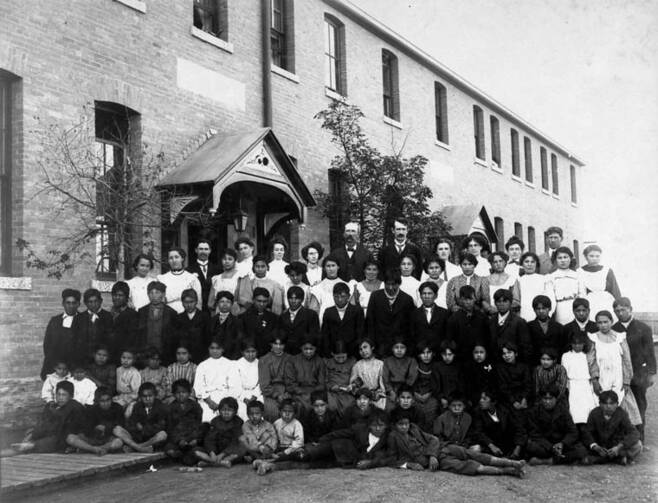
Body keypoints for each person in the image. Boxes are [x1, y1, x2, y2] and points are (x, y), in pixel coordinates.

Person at [612, 297, 656, 440]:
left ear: (631, 309)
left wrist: (651, 373)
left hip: (638, 374)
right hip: (620, 374)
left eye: (623, 310)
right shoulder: (614, 329)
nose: (620, 313)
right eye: (617, 310)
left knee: (639, 405)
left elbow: (650, 353)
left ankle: (640, 438)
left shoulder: (643, 328)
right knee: (621, 405)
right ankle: (624, 438)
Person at [5, 381, 87, 456]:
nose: (60, 398)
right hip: (48, 435)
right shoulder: (52, 406)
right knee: (30, 434)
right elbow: (42, 423)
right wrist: (32, 435)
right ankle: (27, 445)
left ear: (71, 396)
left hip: (64, 438)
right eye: (58, 394)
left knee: (50, 441)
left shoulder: (74, 407)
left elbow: (68, 429)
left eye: (64, 395)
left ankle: (30, 445)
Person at [588, 310, 641, 426]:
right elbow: (591, 361)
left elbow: (627, 361)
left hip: (618, 378)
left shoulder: (620, 338)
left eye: (606, 322)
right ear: (596, 324)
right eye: (600, 323)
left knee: (620, 407)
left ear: (611, 322)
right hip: (602, 377)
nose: (603, 325)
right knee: (601, 406)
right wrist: (595, 380)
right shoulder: (593, 338)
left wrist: (627, 381)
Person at [526, 386, 587, 465]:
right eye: (545, 398)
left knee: (582, 451)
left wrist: (562, 444)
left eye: (550, 399)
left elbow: (573, 431)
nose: (547, 402)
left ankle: (547, 461)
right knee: (531, 447)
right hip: (545, 445)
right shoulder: (534, 412)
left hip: (561, 445)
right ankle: (564, 459)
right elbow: (534, 434)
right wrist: (551, 447)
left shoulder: (563, 411)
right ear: (541, 399)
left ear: (556, 399)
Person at [317, 408, 392, 469]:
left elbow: (387, 457)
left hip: (350, 461)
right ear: (369, 425)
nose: (378, 428)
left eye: (381, 425)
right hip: (342, 450)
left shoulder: (389, 437)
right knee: (316, 451)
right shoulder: (360, 429)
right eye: (374, 425)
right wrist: (322, 439)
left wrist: (370, 463)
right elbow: (339, 433)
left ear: (386, 426)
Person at [582, 390, 642, 465]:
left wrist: (619, 447)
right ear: (600, 404)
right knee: (580, 447)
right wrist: (595, 446)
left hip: (616, 447)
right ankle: (617, 459)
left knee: (638, 445)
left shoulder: (622, 414)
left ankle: (601, 459)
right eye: (605, 403)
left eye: (611, 403)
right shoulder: (594, 413)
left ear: (617, 404)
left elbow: (634, 433)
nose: (608, 406)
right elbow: (587, 432)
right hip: (599, 447)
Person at [366, 268, 415, 356]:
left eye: (394, 284)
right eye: (388, 284)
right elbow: (370, 322)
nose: (390, 287)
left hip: (399, 346)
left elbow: (410, 326)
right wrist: (372, 344)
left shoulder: (407, 299)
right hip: (379, 345)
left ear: (399, 284)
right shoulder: (375, 296)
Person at [67, 386, 124, 455]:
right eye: (102, 401)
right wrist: (95, 428)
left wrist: (106, 427)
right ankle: (94, 449)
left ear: (111, 399)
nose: (105, 403)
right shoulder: (91, 410)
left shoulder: (117, 408)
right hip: (93, 439)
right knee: (70, 438)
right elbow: (86, 430)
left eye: (108, 400)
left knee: (118, 442)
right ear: (97, 401)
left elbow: (121, 425)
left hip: (108, 439)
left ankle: (97, 449)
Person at [113, 382, 168, 453]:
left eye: (150, 396)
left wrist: (144, 428)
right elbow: (131, 423)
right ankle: (140, 448)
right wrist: (136, 427)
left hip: (152, 439)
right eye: (144, 396)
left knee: (163, 434)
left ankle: (136, 447)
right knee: (117, 429)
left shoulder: (161, 407)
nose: (147, 398)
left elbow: (161, 426)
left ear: (155, 395)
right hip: (138, 437)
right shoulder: (137, 406)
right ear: (140, 397)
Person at [471, 390, 526, 460]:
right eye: (481, 398)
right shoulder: (478, 412)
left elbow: (519, 428)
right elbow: (478, 432)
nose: (481, 401)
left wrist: (517, 448)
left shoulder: (505, 411)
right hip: (488, 445)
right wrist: (491, 445)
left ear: (493, 402)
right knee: (476, 449)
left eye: (484, 399)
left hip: (505, 444)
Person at [561, 331, 599, 427]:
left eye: (580, 344)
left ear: (584, 344)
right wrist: (566, 388)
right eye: (575, 344)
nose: (577, 346)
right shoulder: (566, 356)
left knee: (587, 409)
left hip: (585, 385)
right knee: (574, 411)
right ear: (571, 344)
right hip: (573, 386)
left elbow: (592, 371)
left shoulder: (587, 355)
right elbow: (564, 373)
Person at [136, 281, 178, 366]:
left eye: (157, 292)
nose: (154, 295)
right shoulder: (142, 311)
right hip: (145, 354)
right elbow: (139, 335)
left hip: (164, 354)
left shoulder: (171, 312)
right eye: (151, 293)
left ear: (163, 294)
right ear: (148, 294)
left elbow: (174, 337)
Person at [41, 288, 80, 379]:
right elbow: (47, 344)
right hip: (54, 367)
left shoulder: (83, 320)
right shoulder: (55, 321)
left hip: (74, 367)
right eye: (68, 303)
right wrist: (54, 364)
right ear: (63, 304)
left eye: (74, 303)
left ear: (78, 304)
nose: (71, 306)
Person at [194, 396, 244, 467]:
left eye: (229, 410)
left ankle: (209, 462)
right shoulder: (215, 422)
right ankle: (219, 462)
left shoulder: (238, 422)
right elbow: (210, 439)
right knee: (196, 451)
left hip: (229, 451)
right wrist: (212, 452)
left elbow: (235, 441)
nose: (226, 413)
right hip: (216, 449)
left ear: (235, 412)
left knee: (243, 448)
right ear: (219, 411)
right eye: (223, 410)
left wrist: (223, 453)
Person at [577, 245, 621, 321]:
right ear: (586, 257)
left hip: (606, 301)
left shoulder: (607, 270)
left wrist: (619, 304)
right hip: (590, 301)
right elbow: (581, 290)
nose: (595, 259)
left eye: (597, 256)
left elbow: (615, 289)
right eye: (591, 256)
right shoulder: (580, 271)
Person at [195, 338, 235, 423]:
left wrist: (224, 402)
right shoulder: (202, 365)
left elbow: (233, 385)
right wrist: (210, 402)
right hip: (208, 398)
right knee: (206, 416)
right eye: (212, 348)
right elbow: (198, 387)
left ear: (223, 349)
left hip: (225, 396)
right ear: (208, 349)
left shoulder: (230, 364)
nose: (215, 351)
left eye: (218, 348)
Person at [165, 378, 203, 465]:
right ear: (174, 394)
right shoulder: (170, 408)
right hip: (177, 440)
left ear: (189, 393)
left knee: (197, 450)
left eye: (184, 392)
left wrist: (194, 439)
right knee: (170, 450)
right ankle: (181, 456)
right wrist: (179, 440)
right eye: (178, 393)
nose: (181, 395)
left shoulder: (196, 406)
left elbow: (198, 425)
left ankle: (189, 456)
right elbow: (170, 428)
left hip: (192, 439)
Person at [446, 285, 489, 362]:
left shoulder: (482, 317)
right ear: (460, 300)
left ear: (475, 299)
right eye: (465, 299)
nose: (468, 302)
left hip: (479, 357)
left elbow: (487, 337)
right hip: (461, 358)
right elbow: (450, 340)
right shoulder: (453, 318)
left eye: (470, 299)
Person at [320, 282, 364, 358]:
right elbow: (325, 335)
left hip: (353, 352)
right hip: (333, 353)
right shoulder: (328, 312)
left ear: (348, 296)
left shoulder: (357, 310)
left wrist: (355, 352)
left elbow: (360, 333)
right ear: (333, 296)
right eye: (336, 296)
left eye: (343, 296)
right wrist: (328, 353)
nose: (339, 299)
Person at [71, 288, 113, 367]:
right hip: (83, 361)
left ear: (100, 301)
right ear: (86, 303)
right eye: (90, 302)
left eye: (96, 301)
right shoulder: (79, 318)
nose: (93, 304)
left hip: (102, 361)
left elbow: (110, 340)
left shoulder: (108, 316)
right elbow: (75, 341)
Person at [489, 289, 532, 364]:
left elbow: (525, 347)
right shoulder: (490, 321)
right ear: (495, 303)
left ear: (511, 303)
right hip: (495, 364)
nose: (502, 304)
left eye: (505, 301)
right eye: (499, 301)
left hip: (513, 365)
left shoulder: (519, 322)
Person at [284, 337, 326, 414]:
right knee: (300, 406)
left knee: (320, 405)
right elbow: (290, 383)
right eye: (305, 349)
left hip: (315, 393)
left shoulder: (320, 361)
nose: (308, 351)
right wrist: (301, 392)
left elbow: (321, 384)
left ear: (315, 348)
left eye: (311, 349)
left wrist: (311, 392)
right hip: (297, 393)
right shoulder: (292, 360)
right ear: (301, 348)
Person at [309, 255, 356, 324]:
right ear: (324, 268)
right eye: (328, 266)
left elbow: (352, 307)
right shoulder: (317, 288)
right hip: (324, 322)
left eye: (333, 265)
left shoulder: (348, 286)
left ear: (338, 267)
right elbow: (313, 310)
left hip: (344, 322)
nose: (331, 269)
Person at [157, 247, 202, 314]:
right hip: (168, 314)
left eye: (176, 257)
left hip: (187, 314)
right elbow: (159, 300)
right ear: (168, 261)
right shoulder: (162, 278)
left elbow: (198, 301)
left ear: (182, 259)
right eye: (171, 258)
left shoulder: (192, 278)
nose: (174, 260)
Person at [495, 342, 531, 425]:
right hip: (508, 399)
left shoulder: (524, 367)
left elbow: (528, 384)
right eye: (504, 353)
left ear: (516, 353)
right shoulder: (500, 368)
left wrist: (524, 398)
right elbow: (502, 387)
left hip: (523, 397)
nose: (507, 355)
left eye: (509, 352)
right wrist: (513, 401)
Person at [237, 287, 279, 357]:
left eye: (265, 301)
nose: (262, 304)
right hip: (249, 355)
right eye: (259, 301)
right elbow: (241, 339)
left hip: (267, 356)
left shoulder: (274, 318)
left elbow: (274, 338)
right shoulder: (243, 317)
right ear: (253, 300)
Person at [259, 335, 292, 422]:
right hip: (271, 393)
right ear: (271, 344)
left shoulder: (290, 359)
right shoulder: (264, 360)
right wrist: (277, 395)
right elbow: (264, 384)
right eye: (275, 344)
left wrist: (288, 393)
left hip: (288, 391)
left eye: (281, 344)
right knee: (271, 411)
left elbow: (292, 380)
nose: (278, 347)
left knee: (295, 407)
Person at [279, 285, 320, 356]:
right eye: (291, 298)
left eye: (296, 298)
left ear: (302, 299)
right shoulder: (282, 316)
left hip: (304, 354)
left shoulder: (311, 315)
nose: (293, 301)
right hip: (286, 354)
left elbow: (314, 336)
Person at [409, 281, 449, 353]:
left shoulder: (445, 313)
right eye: (424, 293)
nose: (426, 296)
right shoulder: (413, 314)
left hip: (439, 354)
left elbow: (447, 336)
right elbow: (412, 335)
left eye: (430, 293)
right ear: (420, 296)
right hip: (420, 353)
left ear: (436, 295)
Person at [549, 247, 585, 325]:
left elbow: (582, 294)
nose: (563, 260)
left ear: (570, 259)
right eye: (560, 258)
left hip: (576, 307)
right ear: (555, 260)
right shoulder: (551, 277)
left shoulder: (577, 275)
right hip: (560, 308)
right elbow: (551, 297)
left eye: (565, 257)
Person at [527, 295, 566, 363]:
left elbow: (561, 349)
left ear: (550, 308)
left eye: (544, 308)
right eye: (538, 309)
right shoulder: (528, 327)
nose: (541, 311)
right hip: (535, 365)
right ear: (534, 310)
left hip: (555, 365)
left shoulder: (559, 327)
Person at [350, 339, 386, 410]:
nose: (363, 351)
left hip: (377, 396)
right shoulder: (357, 366)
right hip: (362, 396)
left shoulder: (380, 364)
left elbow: (383, 384)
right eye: (360, 349)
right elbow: (353, 385)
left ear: (372, 348)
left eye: (365, 347)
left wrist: (378, 394)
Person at [517, 252, 554, 322]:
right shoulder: (519, 280)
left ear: (536, 264)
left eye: (532, 262)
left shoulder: (544, 279)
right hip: (524, 316)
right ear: (522, 264)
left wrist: (548, 315)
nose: (529, 264)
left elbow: (551, 299)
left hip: (542, 316)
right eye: (526, 262)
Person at [186, 239, 221, 312]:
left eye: (206, 249)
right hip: (196, 308)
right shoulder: (188, 270)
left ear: (210, 251)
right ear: (196, 250)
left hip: (213, 309)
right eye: (201, 249)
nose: (203, 252)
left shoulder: (218, 270)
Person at [233, 339, 263, 421]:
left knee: (260, 408)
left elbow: (261, 382)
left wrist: (254, 397)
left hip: (257, 394)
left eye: (253, 351)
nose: (250, 354)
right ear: (242, 352)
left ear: (257, 351)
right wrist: (245, 399)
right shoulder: (237, 364)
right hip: (241, 395)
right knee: (242, 410)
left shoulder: (260, 363)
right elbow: (236, 384)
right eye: (247, 352)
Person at [324, 340, 356, 418]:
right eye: (338, 357)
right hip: (332, 392)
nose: (341, 359)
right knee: (331, 406)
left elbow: (357, 377)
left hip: (347, 392)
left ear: (347, 354)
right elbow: (324, 378)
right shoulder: (327, 362)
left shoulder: (352, 362)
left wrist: (352, 385)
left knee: (349, 405)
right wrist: (331, 386)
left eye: (343, 357)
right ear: (332, 354)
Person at [383, 337, 418, 406]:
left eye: (402, 347)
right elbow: (385, 378)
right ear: (392, 349)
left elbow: (412, 377)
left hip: (407, 389)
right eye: (396, 347)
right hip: (391, 390)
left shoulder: (411, 361)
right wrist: (391, 391)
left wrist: (402, 393)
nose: (399, 350)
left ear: (406, 349)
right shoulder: (387, 361)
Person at [109, 281, 138, 364]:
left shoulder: (133, 315)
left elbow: (133, 340)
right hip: (110, 358)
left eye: (120, 295)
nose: (117, 298)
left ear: (126, 297)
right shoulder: (109, 314)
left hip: (125, 359)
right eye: (115, 295)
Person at [413, 342, 440, 427]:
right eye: (423, 353)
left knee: (432, 408)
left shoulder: (436, 367)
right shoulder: (414, 366)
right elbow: (411, 383)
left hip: (431, 396)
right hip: (416, 395)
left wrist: (429, 394)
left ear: (433, 354)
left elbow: (437, 384)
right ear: (418, 355)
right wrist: (415, 393)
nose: (426, 356)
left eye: (428, 353)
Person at [463, 344, 496, 409]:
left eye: (481, 352)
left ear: (486, 354)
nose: (479, 355)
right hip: (473, 399)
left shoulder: (491, 367)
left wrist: (488, 396)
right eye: (476, 352)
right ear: (472, 354)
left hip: (489, 398)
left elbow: (494, 384)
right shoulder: (468, 368)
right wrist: (478, 398)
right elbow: (467, 386)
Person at [209, 291, 239, 360]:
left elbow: (237, 343)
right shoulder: (212, 320)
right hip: (214, 356)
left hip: (230, 357)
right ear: (217, 304)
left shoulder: (237, 322)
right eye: (222, 301)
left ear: (232, 304)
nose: (225, 304)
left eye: (228, 302)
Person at [435, 340, 463, 411]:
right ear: (441, 354)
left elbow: (461, 386)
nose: (447, 357)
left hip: (457, 399)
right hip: (443, 400)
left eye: (450, 354)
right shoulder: (437, 367)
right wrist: (441, 398)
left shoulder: (458, 367)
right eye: (444, 354)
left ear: (454, 354)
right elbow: (436, 386)